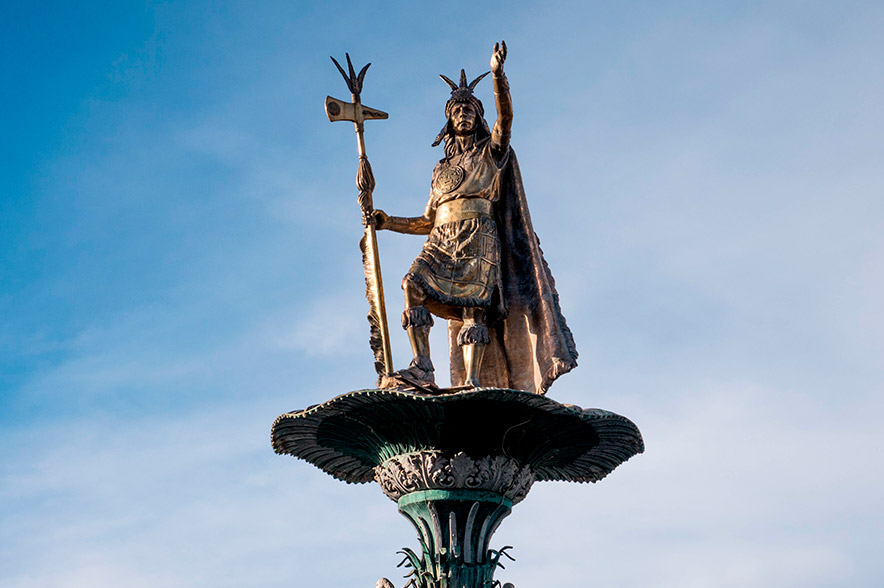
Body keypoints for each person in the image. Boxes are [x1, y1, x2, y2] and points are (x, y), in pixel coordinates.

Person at [373, 42, 577, 394]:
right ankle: (422, 365)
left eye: (469, 109)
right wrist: (386, 221)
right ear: (449, 121)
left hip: (478, 234)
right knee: (412, 284)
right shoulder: (441, 169)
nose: (463, 114)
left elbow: (506, 120)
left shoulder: (491, 152)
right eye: (456, 111)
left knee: (473, 309)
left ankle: (472, 380)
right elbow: (427, 221)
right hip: (442, 239)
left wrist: (498, 77)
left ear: (477, 116)